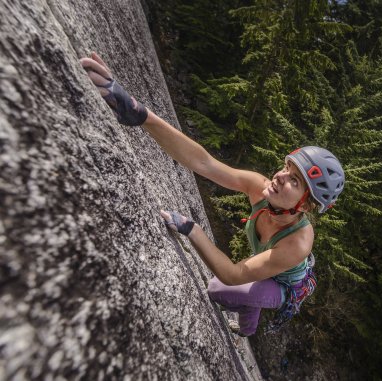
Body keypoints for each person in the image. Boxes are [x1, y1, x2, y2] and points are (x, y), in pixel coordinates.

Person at [80, 52, 345, 336]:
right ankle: (248, 314)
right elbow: (205, 163)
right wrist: (141, 114)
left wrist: (192, 229)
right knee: (245, 285)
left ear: (305, 206)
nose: (279, 177)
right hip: (269, 268)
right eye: (285, 168)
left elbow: (232, 275)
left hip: (283, 286)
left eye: (294, 180)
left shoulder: (298, 243)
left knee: (220, 290)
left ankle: (246, 328)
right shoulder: (259, 186)